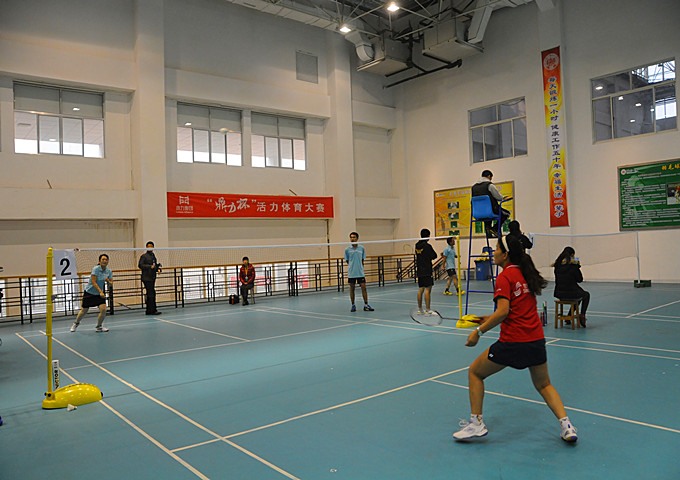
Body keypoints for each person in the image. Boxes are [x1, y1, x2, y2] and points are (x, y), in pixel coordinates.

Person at [453, 235, 578, 443]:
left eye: (496, 249)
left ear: (505, 254)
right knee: (544, 385)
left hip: (512, 343)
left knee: (475, 372)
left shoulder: (504, 277)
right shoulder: (524, 273)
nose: (493, 253)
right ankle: (567, 426)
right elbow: (515, 310)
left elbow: (503, 311)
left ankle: (476, 424)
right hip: (535, 340)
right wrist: (488, 318)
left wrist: (478, 332)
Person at [71, 254, 113, 333]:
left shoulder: (108, 271)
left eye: (106, 259)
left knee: (103, 310)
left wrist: (109, 282)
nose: (105, 261)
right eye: (103, 259)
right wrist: (101, 292)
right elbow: (93, 282)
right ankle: (76, 323)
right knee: (84, 311)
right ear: (99, 261)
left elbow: (111, 281)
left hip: (99, 294)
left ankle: (99, 326)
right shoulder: (96, 269)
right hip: (90, 292)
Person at [552, 246, 590, 327]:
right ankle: (582, 315)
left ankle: (569, 316)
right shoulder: (573, 266)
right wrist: (577, 268)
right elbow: (579, 279)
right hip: (571, 292)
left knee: (579, 294)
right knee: (585, 295)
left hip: (559, 294)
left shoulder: (557, 266)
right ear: (572, 255)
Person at [471, 170, 511, 238]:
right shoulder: (489, 185)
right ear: (489, 176)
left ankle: (488, 231)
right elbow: (499, 197)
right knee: (506, 214)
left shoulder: (473, 187)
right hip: (491, 211)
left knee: (486, 216)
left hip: (477, 213)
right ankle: (495, 228)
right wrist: (504, 198)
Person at [344, 232, 374, 312]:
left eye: (354, 237)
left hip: (360, 272)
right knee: (352, 288)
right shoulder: (347, 249)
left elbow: (362, 260)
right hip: (352, 273)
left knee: (364, 287)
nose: (352, 239)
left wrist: (359, 267)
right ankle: (353, 305)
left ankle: (366, 305)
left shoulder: (361, 248)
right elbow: (347, 260)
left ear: (357, 238)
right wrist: (352, 266)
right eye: (351, 237)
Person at [415, 228, 438, 313]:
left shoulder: (417, 245)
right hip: (427, 269)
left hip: (419, 270)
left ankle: (420, 308)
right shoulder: (427, 246)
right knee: (428, 289)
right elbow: (434, 255)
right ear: (428, 236)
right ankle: (428, 309)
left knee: (421, 289)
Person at [138, 241, 162, 316]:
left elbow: (154, 266)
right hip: (146, 278)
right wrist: (149, 266)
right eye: (148, 246)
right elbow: (140, 265)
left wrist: (158, 269)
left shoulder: (153, 256)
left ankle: (151, 310)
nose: (150, 247)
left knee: (151, 293)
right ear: (146, 247)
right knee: (151, 293)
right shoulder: (144, 256)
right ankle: (151, 310)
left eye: (151, 246)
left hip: (152, 277)